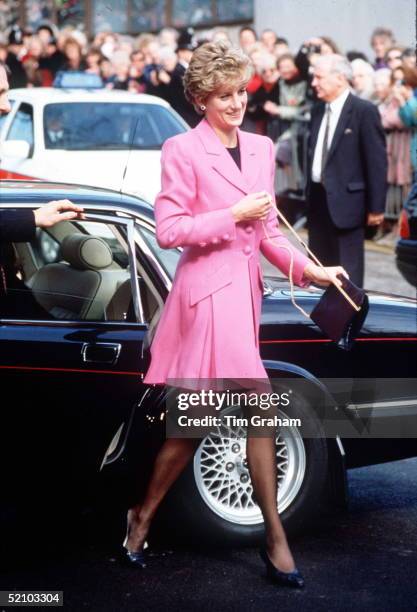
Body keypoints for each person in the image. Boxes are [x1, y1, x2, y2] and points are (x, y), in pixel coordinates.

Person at [123, 41, 347, 588]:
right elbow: (171, 231)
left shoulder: (262, 149)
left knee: (216, 420)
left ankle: (155, 519)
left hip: (241, 302)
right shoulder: (180, 149)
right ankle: (265, 537)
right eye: (222, 96)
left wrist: (312, 273)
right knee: (235, 415)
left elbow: (268, 235)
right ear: (200, 99)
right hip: (204, 303)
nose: (234, 104)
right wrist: (232, 212)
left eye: (240, 93)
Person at [307, 54, 387, 287]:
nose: (314, 83)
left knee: (347, 280)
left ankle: (350, 323)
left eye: (319, 77)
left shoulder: (364, 111)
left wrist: (376, 208)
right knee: (319, 275)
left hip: (348, 206)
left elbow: (376, 161)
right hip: (318, 202)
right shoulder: (317, 110)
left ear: (340, 78)